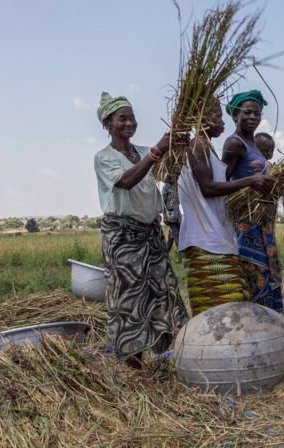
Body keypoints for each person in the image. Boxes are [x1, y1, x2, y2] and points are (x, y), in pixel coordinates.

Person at [93, 92, 188, 368]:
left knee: (164, 291)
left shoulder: (142, 151)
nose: (129, 123)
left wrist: (178, 147)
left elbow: (169, 177)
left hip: (150, 234)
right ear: (108, 124)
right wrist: (157, 151)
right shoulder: (104, 158)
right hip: (123, 238)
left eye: (132, 117)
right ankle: (133, 367)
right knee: (129, 299)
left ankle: (163, 355)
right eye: (122, 118)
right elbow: (127, 181)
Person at [177, 102, 273, 316]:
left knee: (233, 306)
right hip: (204, 241)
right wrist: (250, 180)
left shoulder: (207, 147)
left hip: (218, 240)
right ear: (201, 117)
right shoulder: (197, 145)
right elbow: (208, 188)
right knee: (219, 311)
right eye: (218, 116)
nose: (222, 122)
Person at [221, 90, 283, 312]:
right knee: (254, 276)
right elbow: (221, 183)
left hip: (262, 223)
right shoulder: (234, 143)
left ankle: (271, 328)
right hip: (246, 225)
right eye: (247, 112)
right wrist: (251, 182)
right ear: (235, 114)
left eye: (257, 113)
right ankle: (257, 328)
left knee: (268, 274)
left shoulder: (255, 145)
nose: (252, 117)